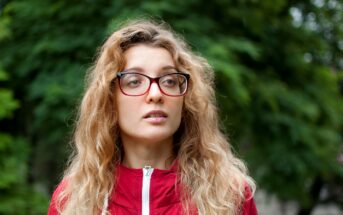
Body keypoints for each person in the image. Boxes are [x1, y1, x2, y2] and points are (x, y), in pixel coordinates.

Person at [47, 19, 258, 215]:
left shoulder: (230, 195)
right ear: (109, 98)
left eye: (169, 81)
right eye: (134, 81)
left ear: (186, 99)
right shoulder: (72, 200)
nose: (156, 94)